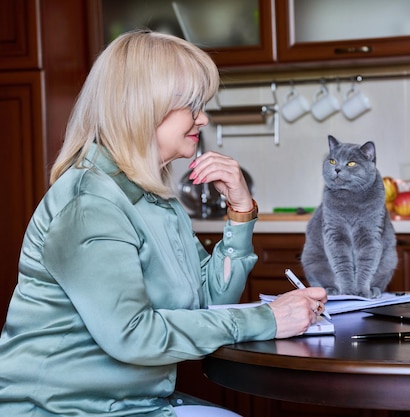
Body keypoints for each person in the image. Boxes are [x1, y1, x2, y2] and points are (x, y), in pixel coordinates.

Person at [0, 30, 327, 417]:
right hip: (63, 410)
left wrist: (240, 210)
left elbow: (209, 302)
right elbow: (133, 335)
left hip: (133, 405)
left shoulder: (155, 198)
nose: (203, 118)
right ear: (143, 106)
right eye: (192, 105)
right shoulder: (91, 204)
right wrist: (267, 318)